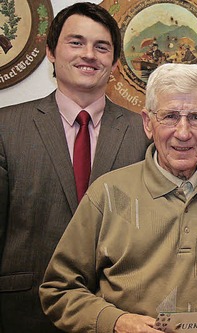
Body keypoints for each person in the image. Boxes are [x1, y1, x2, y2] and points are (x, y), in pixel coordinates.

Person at [39, 63, 197, 333]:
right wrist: (117, 322)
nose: (183, 132)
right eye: (169, 116)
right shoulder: (108, 192)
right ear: (148, 123)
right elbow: (58, 290)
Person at [0, 3, 149, 332]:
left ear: (114, 62)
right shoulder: (6, 128)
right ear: (51, 51)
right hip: (24, 311)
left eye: (102, 46)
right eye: (76, 42)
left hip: (118, 313)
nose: (89, 54)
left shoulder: (143, 133)